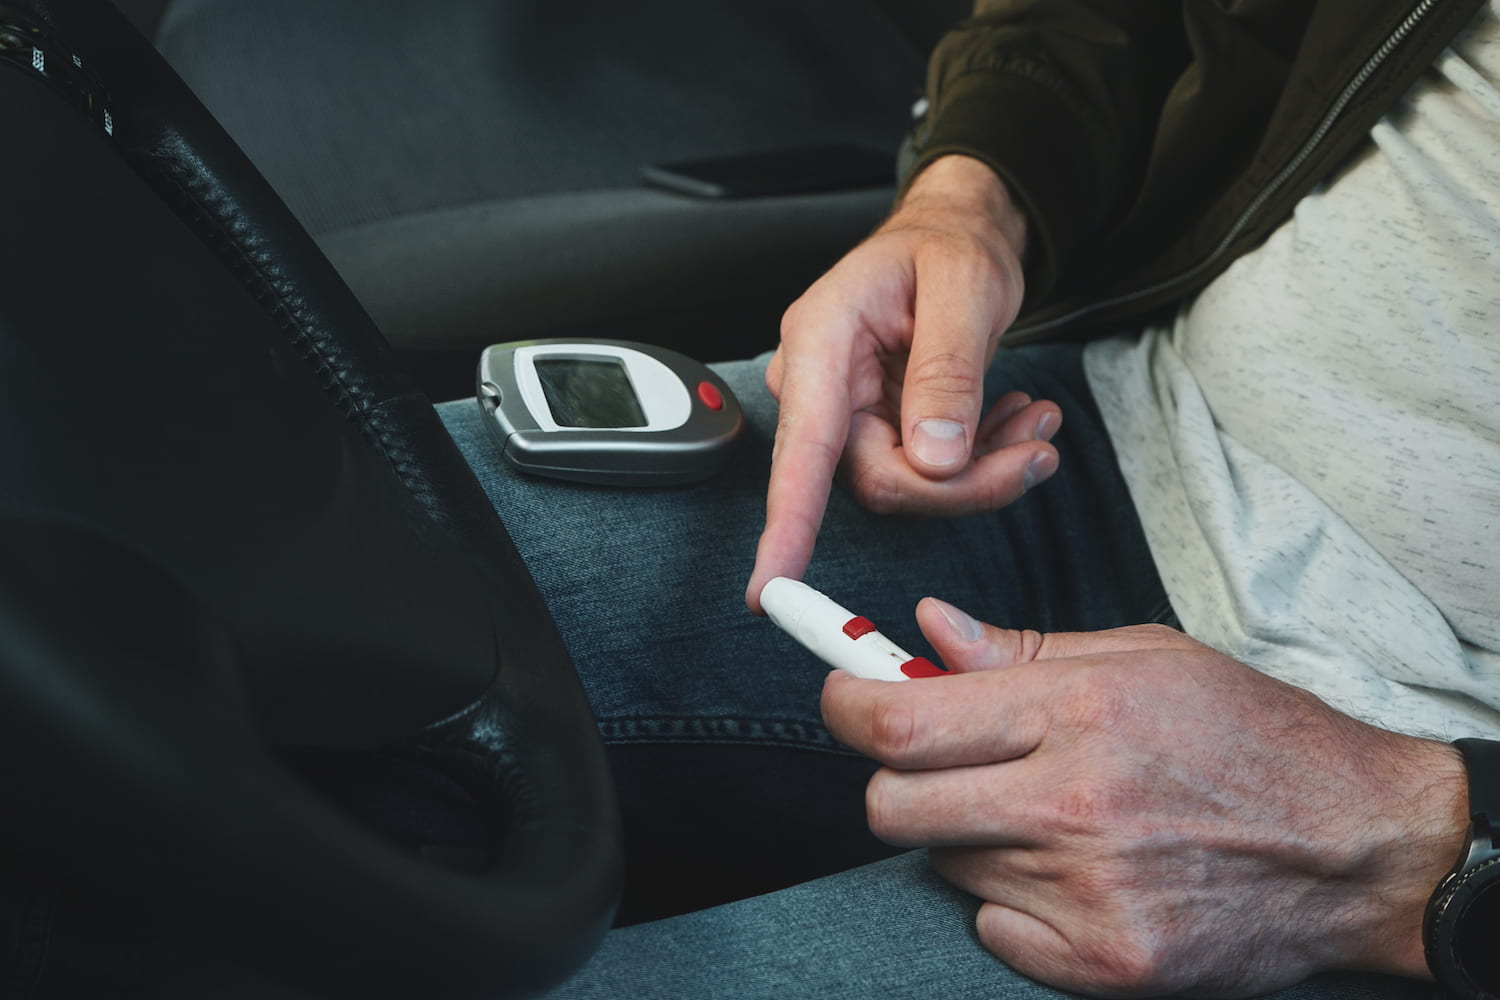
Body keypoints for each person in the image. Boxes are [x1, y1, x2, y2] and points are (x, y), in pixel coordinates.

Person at [441, 1, 1500, 996]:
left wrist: (1417, 841)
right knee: (346, 589)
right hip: (1121, 420)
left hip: (1411, 811)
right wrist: (978, 194)